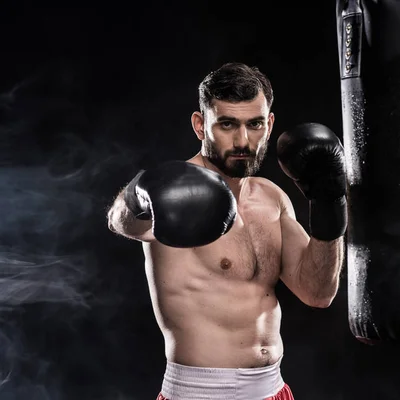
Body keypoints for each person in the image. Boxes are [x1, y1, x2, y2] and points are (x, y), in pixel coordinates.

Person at [106, 62, 348, 400]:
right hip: (199, 394)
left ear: (270, 124)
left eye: (255, 124)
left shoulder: (271, 197)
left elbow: (318, 292)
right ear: (200, 125)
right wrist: (137, 196)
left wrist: (329, 203)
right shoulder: (180, 191)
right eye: (227, 124)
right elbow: (123, 223)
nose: (242, 141)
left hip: (274, 390)